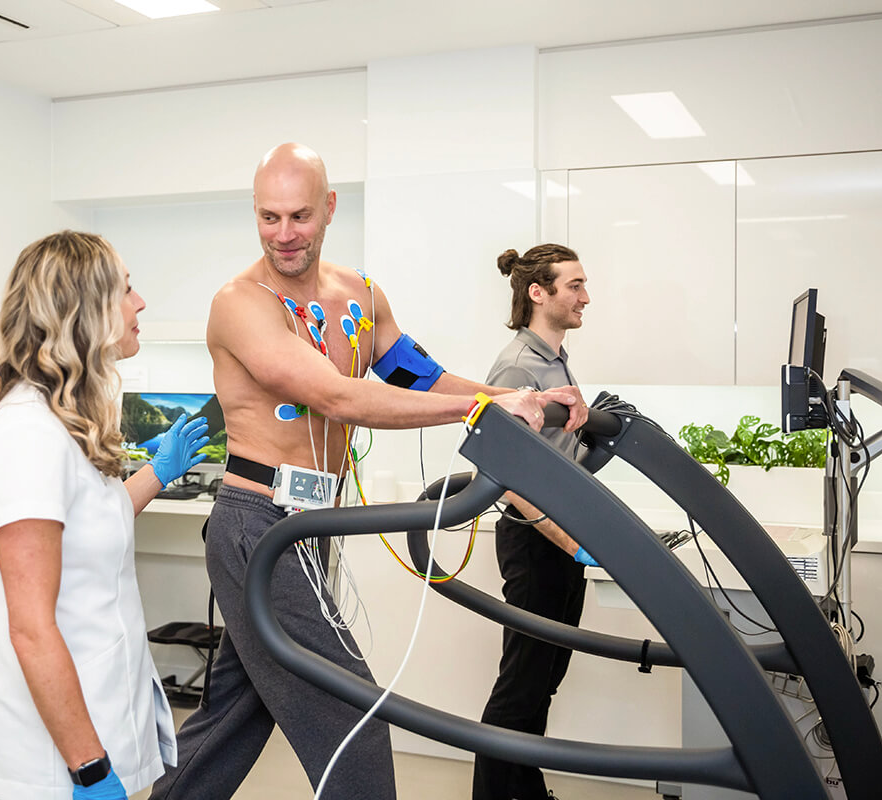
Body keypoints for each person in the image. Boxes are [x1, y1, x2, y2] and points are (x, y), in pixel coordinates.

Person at [150, 144, 587, 800]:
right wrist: (486, 405)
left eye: (299, 215)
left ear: (329, 208)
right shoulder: (240, 303)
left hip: (311, 525)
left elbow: (419, 375)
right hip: (256, 525)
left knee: (235, 716)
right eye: (268, 218)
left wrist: (529, 403)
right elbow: (337, 396)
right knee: (354, 720)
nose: (284, 234)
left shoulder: (361, 295)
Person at [0, 231, 212, 800]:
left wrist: (158, 473)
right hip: (57, 760)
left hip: (95, 713)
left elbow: (97, 523)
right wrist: (89, 769)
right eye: (126, 289)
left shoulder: (63, 420)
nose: (140, 303)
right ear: (85, 311)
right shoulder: (27, 433)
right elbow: (30, 625)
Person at [473, 244, 594, 800]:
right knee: (522, 685)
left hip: (564, 539)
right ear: (537, 293)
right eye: (574, 286)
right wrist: (570, 542)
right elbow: (513, 476)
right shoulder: (519, 366)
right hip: (538, 541)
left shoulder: (554, 360)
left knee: (543, 681)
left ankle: (525, 789)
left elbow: (553, 455)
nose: (585, 297)